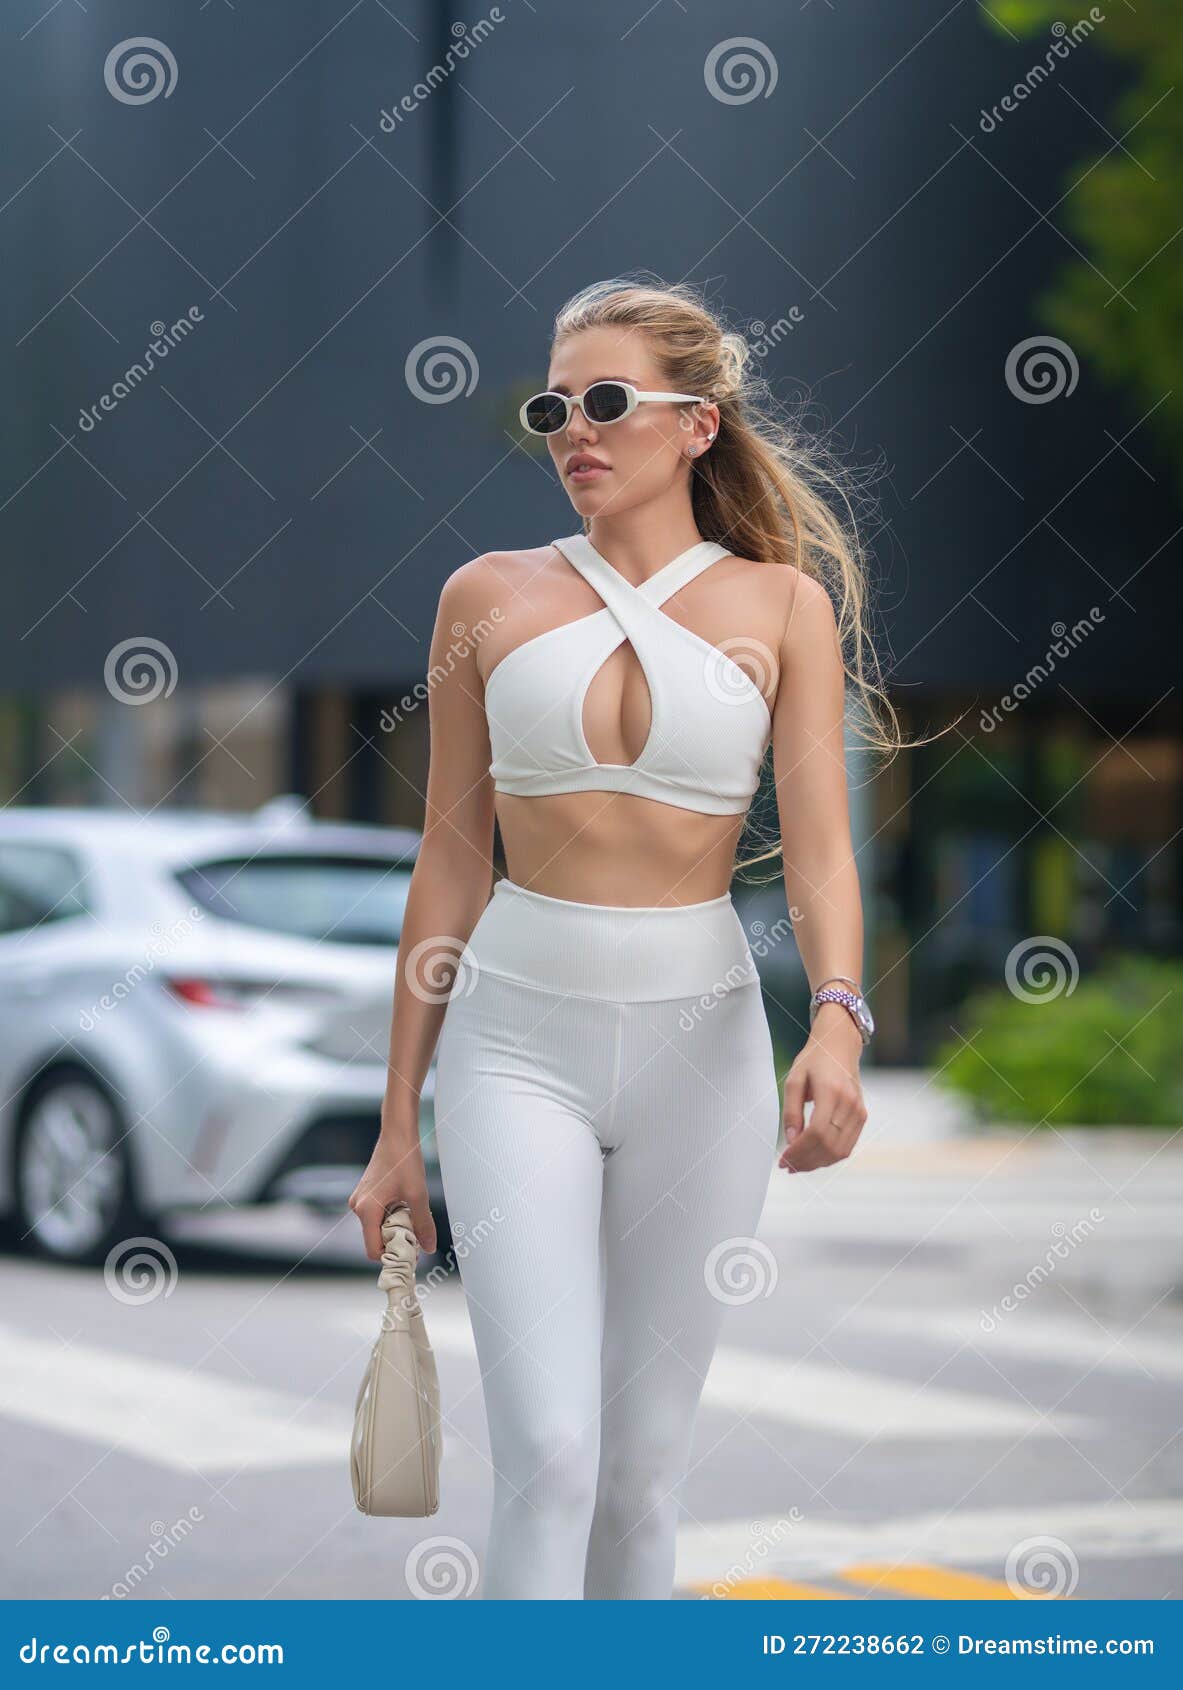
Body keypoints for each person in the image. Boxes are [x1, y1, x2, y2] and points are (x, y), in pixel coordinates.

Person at [350, 277, 894, 1600]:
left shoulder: (782, 608)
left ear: (698, 422)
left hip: (699, 1052)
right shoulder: (486, 595)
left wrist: (838, 1016)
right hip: (512, 1046)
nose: (574, 431)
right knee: (548, 1451)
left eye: (607, 403)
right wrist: (395, 1118)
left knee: (645, 1473)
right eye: (555, 407)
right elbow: (451, 855)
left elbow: (822, 846)